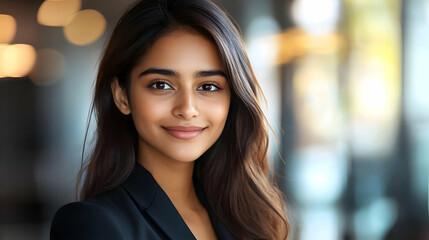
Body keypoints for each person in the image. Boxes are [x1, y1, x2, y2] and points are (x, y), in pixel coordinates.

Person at [50, 0, 289, 239]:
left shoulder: (246, 217)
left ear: (232, 98)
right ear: (122, 96)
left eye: (208, 86)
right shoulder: (91, 225)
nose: (187, 109)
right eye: (161, 85)